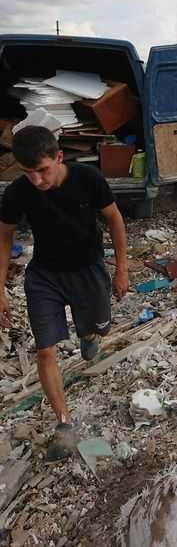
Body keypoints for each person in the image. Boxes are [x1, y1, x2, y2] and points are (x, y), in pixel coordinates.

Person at [0, 126, 129, 462]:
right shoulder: (18, 192)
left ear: (59, 157)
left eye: (42, 170)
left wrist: (122, 269)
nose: (37, 181)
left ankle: (89, 334)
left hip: (87, 271)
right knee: (45, 350)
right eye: (28, 173)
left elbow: (115, 220)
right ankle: (64, 423)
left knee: (98, 327)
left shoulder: (88, 179)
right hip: (44, 276)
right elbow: (3, 238)